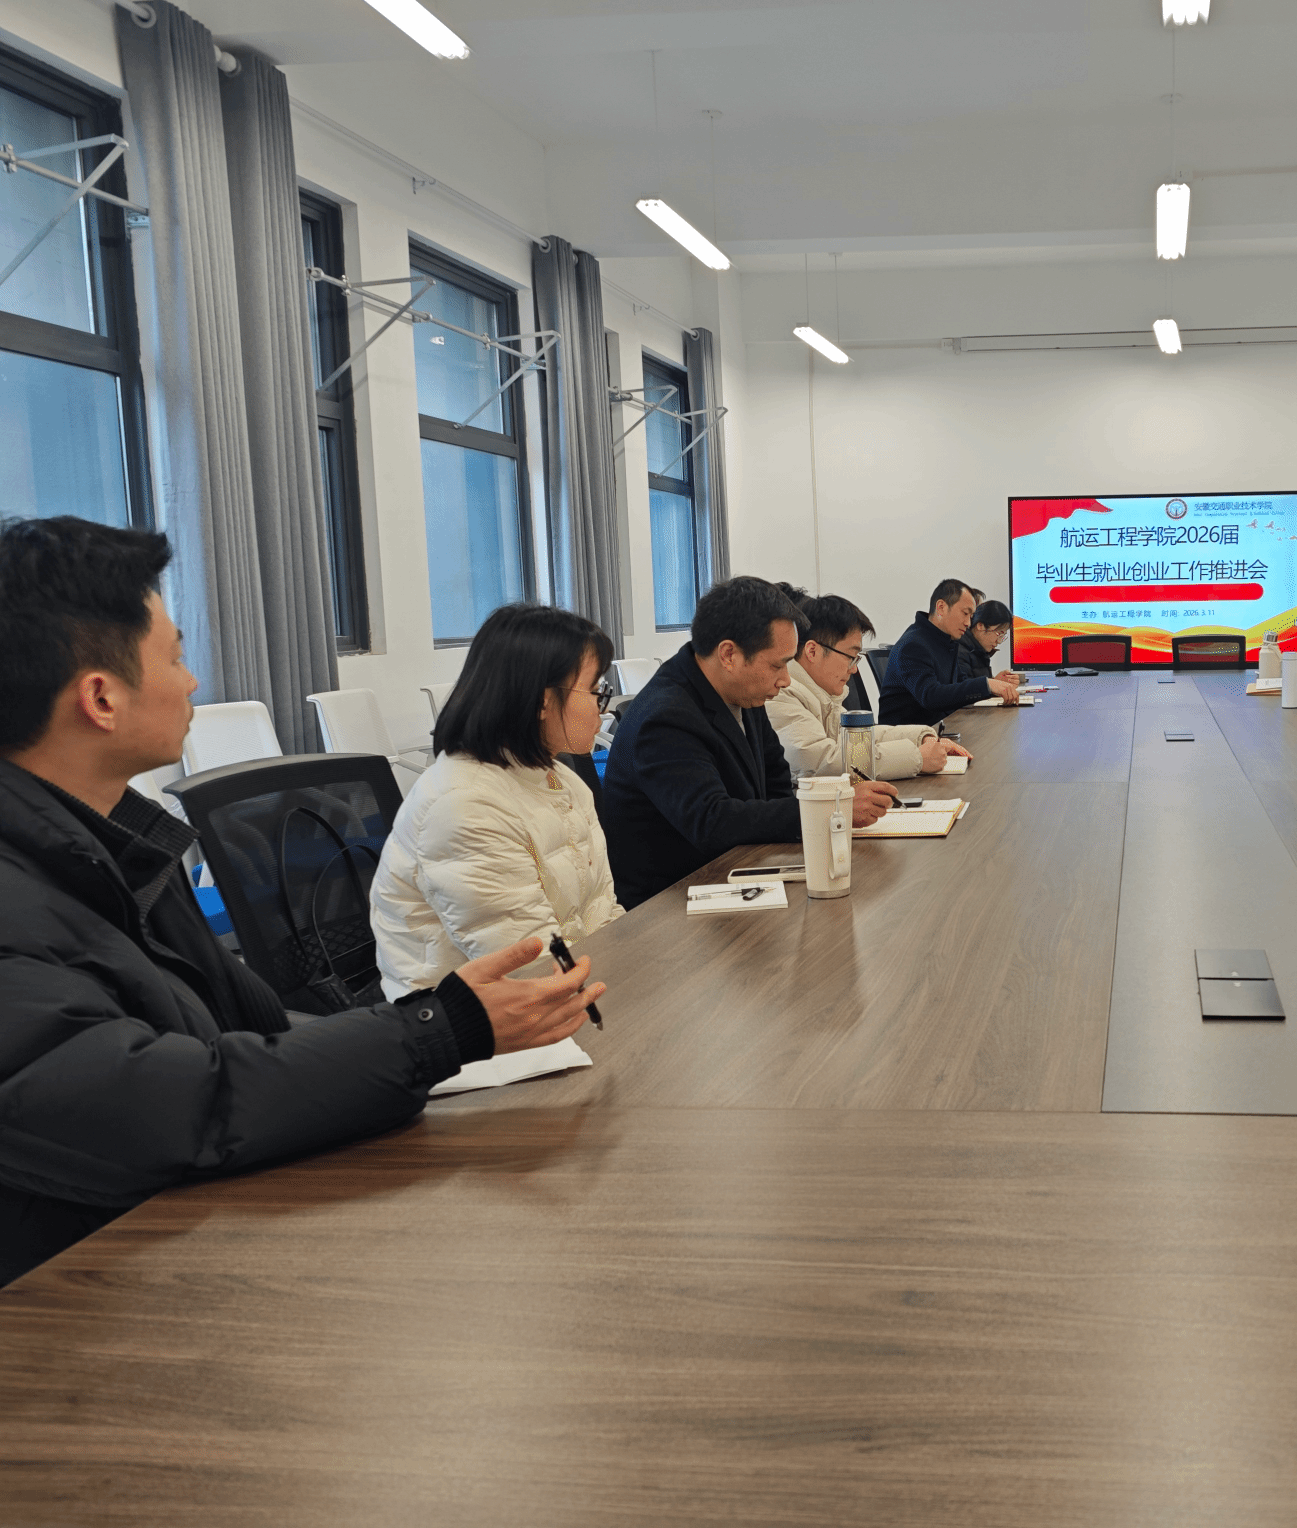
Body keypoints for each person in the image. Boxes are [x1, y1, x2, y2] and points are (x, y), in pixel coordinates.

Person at [0, 516, 601, 1285]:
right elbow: (171, 1106)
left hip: (198, 1226)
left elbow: (249, 1034)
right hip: (85, 1295)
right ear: (100, 698)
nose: (192, 681)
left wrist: (417, 1044)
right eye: (176, 658)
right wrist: (435, 1031)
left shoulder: (116, 840)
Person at [371, 602, 624, 1012]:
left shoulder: (565, 783)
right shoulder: (465, 806)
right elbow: (532, 968)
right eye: (595, 691)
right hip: (463, 1028)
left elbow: (603, 913)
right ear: (543, 701)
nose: (603, 707)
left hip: (559, 1000)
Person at [602, 576, 897, 909]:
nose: (786, 680)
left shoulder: (743, 690)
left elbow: (776, 785)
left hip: (741, 874)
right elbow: (712, 821)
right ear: (729, 654)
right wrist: (832, 808)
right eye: (777, 665)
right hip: (672, 904)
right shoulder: (666, 717)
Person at [768, 590, 974, 779]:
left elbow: (865, 738)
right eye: (851, 657)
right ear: (812, 651)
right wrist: (917, 757)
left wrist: (921, 738)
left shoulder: (821, 695)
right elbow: (819, 761)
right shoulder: (781, 693)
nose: (853, 669)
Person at [880, 579, 1020, 726]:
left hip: (936, 728)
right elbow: (930, 696)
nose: (968, 623)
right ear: (941, 608)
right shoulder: (914, 644)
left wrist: (993, 687)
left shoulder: (944, 641)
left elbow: (960, 685)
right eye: (965, 613)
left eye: (971, 617)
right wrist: (987, 684)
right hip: (910, 735)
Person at [957, 598, 1018, 684]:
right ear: (980, 626)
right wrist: (992, 685)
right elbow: (965, 689)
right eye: (999, 633)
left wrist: (996, 682)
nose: (999, 641)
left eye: (1003, 636)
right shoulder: (960, 651)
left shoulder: (980, 652)